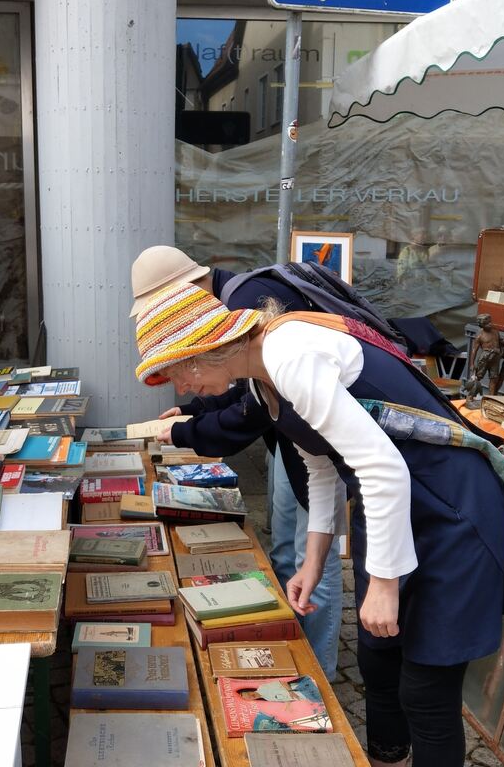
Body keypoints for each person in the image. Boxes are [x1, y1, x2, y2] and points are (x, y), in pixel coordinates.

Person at [133, 283, 504, 766]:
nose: (183, 389)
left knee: (426, 691)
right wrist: (312, 563)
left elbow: (382, 467)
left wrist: (385, 583)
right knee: (377, 659)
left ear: (203, 351)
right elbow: (322, 466)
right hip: (396, 508)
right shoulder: (262, 371)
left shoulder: (288, 354)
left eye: (177, 374)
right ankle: (387, 758)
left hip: (451, 509)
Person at [128, 245, 344, 680]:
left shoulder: (246, 303)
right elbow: (243, 390)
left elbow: (254, 407)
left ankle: (317, 669)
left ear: (183, 293)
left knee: (313, 554)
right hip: (295, 443)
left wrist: (190, 430)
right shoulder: (233, 297)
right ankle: (291, 640)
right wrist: (196, 413)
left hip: (319, 444)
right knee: (288, 550)